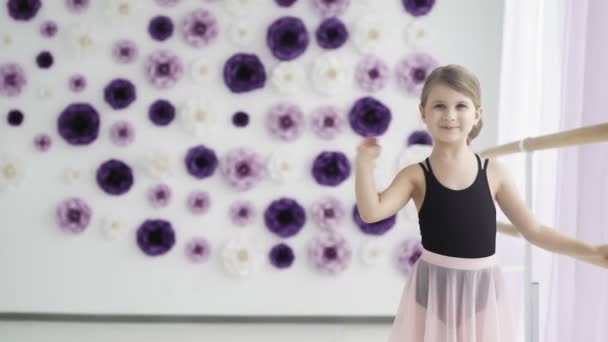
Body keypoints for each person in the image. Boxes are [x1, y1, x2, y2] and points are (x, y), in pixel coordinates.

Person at [354, 64, 608, 341]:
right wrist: (364, 165)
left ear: (477, 114)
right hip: (433, 288)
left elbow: (534, 230)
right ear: (423, 113)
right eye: (439, 105)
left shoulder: (494, 172)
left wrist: (592, 250)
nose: (450, 115)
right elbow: (372, 212)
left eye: (460, 106)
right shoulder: (416, 175)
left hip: (483, 290)